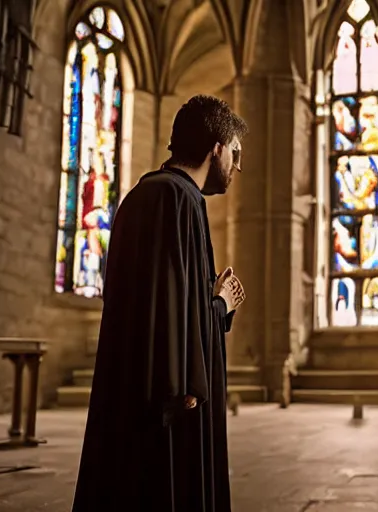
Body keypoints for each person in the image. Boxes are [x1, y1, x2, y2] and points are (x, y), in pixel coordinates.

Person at [71, 95, 249, 511]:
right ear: (216, 148)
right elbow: (170, 314)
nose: (238, 168)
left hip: (138, 387)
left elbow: (159, 304)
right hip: (167, 405)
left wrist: (208, 301)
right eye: (236, 155)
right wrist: (220, 306)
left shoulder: (145, 195)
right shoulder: (179, 200)